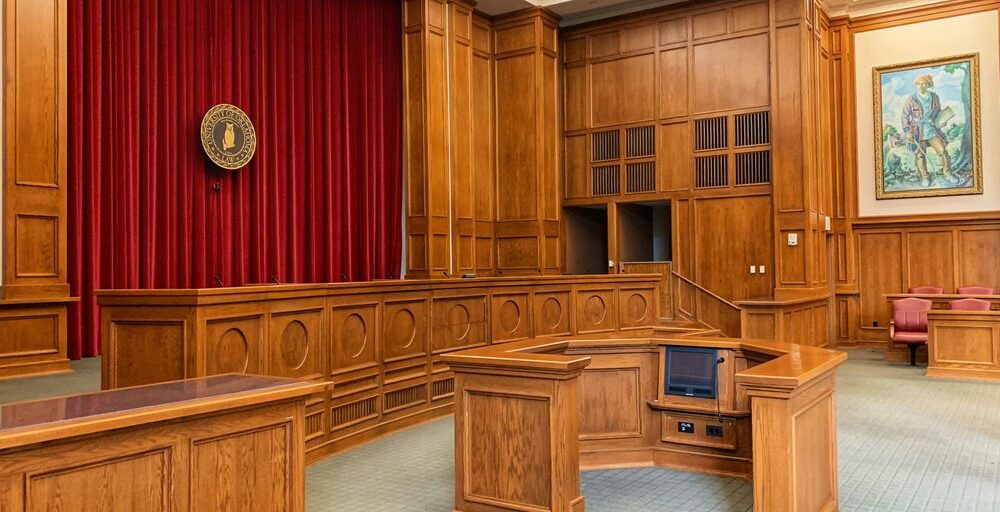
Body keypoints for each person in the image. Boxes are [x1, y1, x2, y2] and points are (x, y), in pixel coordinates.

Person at [901, 74, 958, 187]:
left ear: (928, 85)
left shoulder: (934, 97)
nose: (921, 86)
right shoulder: (911, 99)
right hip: (917, 131)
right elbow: (904, 115)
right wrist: (907, 131)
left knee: (942, 151)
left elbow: (938, 113)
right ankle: (925, 177)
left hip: (932, 130)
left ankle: (947, 174)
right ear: (916, 85)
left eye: (924, 84)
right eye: (919, 84)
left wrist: (942, 121)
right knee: (920, 155)